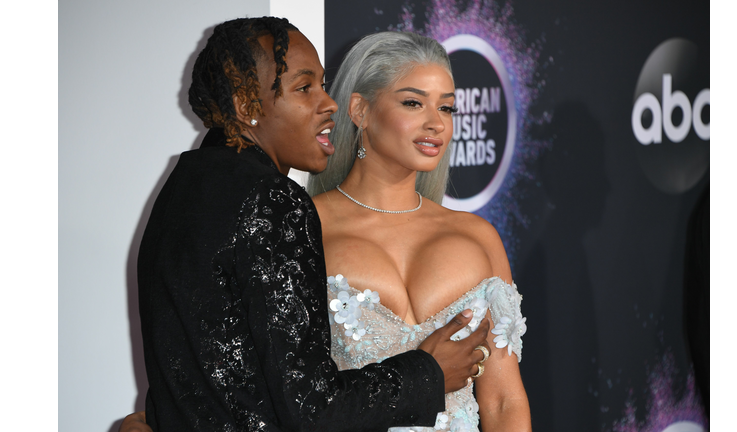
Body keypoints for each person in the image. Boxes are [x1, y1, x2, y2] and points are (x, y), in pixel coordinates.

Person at [129, 17, 491, 432]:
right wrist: (430, 373)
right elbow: (311, 410)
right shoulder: (272, 200)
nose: (328, 103)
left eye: (322, 83)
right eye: (304, 88)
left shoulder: (183, 187)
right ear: (248, 107)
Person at [307, 32, 531, 431]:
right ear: (359, 110)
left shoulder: (478, 237)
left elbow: (502, 401)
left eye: (447, 108)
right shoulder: (306, 228)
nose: (435, 124)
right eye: (413, 103)